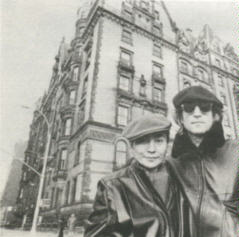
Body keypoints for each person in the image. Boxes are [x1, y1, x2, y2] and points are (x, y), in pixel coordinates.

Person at [84, 114, 180, 237]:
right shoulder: (113, 186)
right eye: (143, 142)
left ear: (167, 145)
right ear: (131, 148)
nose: (151, 149)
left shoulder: (180, 179)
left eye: (159, 141)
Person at [168, 86, 239, 237]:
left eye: (205, 108)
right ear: (180, 118)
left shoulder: (236, 152)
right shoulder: (170, 162)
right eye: (189, 108)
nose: (197, 114)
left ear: (216, 116)